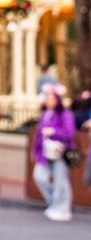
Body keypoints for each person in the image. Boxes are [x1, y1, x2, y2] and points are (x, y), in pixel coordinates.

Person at [33, 83, 79, 223]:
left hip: (60, 151)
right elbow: (39, 135)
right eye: (48, 98)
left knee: (61, 181)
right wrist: (36, 151)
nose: (49, 101)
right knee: (39, 176)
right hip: (45, 152)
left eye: (52, 98)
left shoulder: (65, 114)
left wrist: (53, 132)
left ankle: (62, 208)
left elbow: (69, 132)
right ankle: (54, 201)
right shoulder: (45, 114)